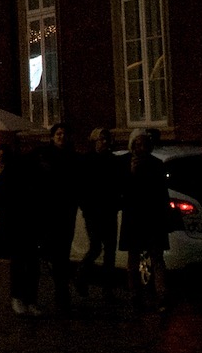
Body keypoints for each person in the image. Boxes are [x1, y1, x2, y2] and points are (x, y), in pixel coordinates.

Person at [120, 128, 170, 312]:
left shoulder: (156, 164)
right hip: (134, 217)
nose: (140, 148)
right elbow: (122, 190)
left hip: (153, 217)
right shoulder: (126, 163)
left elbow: (161, 193)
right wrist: (131, 173)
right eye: (137, 144)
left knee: (157, 258)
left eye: (144, 144)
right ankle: (135, 295)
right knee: (133, 258)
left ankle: (162, 295)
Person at [0, 141, 43, 317]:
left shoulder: (24, 172)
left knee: (28, 263)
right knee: (23, 262)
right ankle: (21, 297)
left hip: (27, 222)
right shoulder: (17, 172)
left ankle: (26, 298)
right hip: (19, 222)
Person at [36, 122, 80, 315]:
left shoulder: (72, 156)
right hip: (51, 210)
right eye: (58, 134)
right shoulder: (45, 156)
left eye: (64, 133)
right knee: (56, 253)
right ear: (53, 137)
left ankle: (62, 294)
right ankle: (61, 293)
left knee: (63, 252)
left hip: (67, 210)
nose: (61, 137)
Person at [76, 127, 120, 300]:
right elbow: (81, 186)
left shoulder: (113, 161)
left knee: (110, 251)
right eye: (101, 139)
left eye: (106, 139)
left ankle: (107, 289)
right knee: (95, 247)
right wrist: (86, 207)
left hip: (109, 209)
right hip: (94, 211)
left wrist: (117, 202)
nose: (104, 142)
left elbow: (117, 184)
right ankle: (81, 275)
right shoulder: (87, 161)